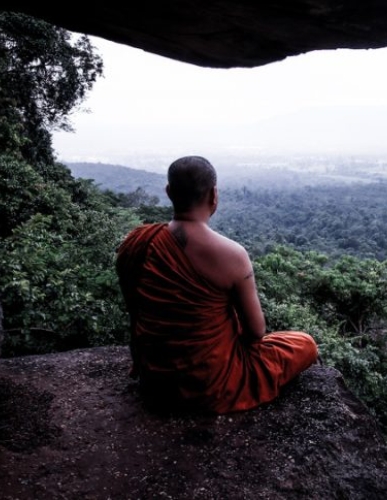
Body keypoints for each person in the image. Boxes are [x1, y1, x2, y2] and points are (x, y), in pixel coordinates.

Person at [115, 155, 318, 414]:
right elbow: (256, 332)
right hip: (209, 384)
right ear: (214, 195)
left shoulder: (137, 241)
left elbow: (137, 310)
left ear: (168, 192)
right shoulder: (232, 255)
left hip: (154, 378)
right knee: (304, 344)